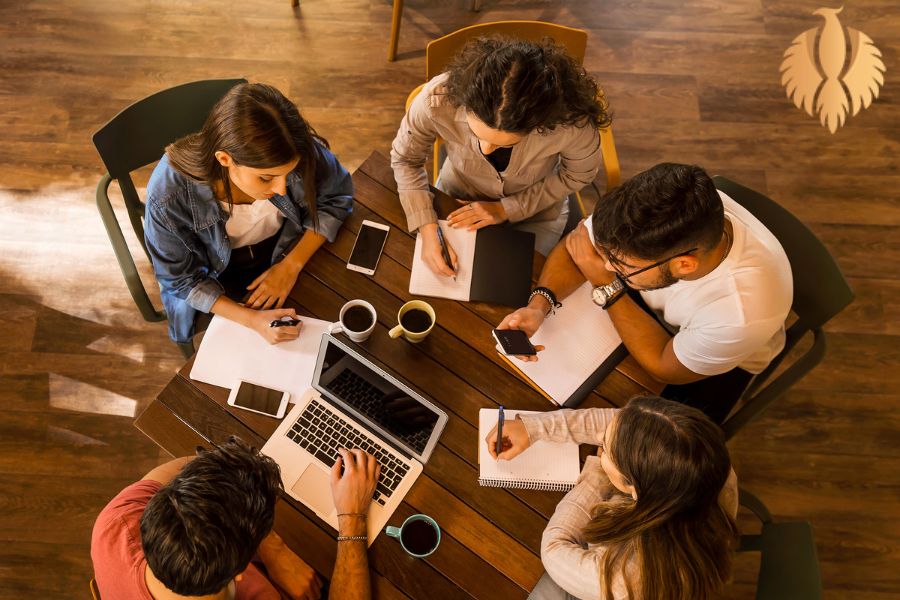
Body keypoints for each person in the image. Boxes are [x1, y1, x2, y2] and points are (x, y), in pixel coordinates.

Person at [498, 163, 793, 422]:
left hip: (715, 363)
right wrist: (540, 305)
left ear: (684, 265)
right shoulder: (647, 217)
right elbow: (579, 248)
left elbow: (664, 367)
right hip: (644, 296)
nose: (606, 263)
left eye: (619, 262)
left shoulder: (740, 315)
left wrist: (608, 287)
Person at [144, 82, 354, 346]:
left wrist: (290, 265)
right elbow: (181, 280)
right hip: (216, 277)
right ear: (224, 159)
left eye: (288, 175)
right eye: (266, 178)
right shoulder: (168, 195)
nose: (281, 188)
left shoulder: (293, 147)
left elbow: (337, 196)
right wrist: (252, 320)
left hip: (286, 247)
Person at [485, 396, 739, 600]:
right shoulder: (711, 466)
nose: (599, 440)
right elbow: (623, 425)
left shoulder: (624, 578)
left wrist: (597, 472)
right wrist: (534, 428)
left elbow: (554, 549)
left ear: (636, 489)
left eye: (605, 448)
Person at [390, 35, 609, 270]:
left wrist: (507, 208)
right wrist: (426, 225)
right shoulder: (435, 101)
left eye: (505, 144)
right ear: (464, 101)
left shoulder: (571, 123)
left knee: (511, 285)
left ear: (542, 124)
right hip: (457, 195)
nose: (485, 150)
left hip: (537, 210)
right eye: (477, 136)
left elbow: (576, 175)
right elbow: (405, 160)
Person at [91, 437, 379, 600]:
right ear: (238, 573)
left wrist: (274, 549)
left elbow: (190, 467)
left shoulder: (118, 520)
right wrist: (352, 515)